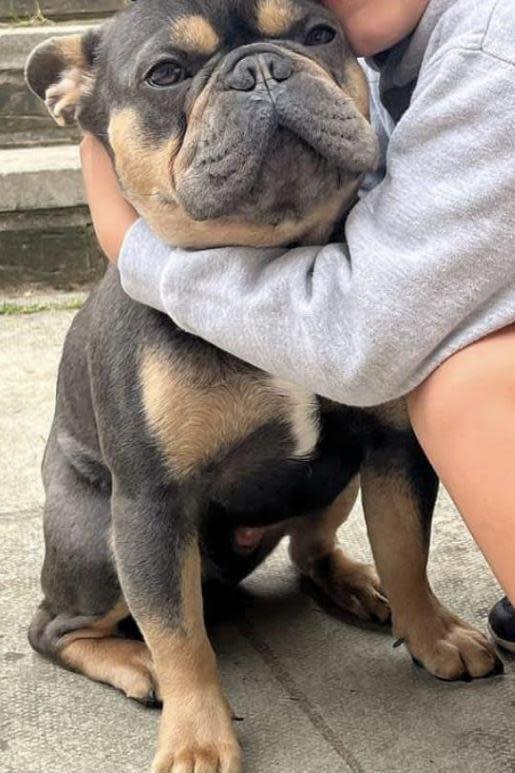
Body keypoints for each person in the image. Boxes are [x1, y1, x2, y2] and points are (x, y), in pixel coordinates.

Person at [80, 0, 515, 651]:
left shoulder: (490, 51)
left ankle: (361, 575)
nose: (264, 81)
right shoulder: (398, 50)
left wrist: (138, 250)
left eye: (313, 38)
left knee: (454, 377)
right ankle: (79, 634)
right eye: (172, 73)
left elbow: (371, 336)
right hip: (145, 514)